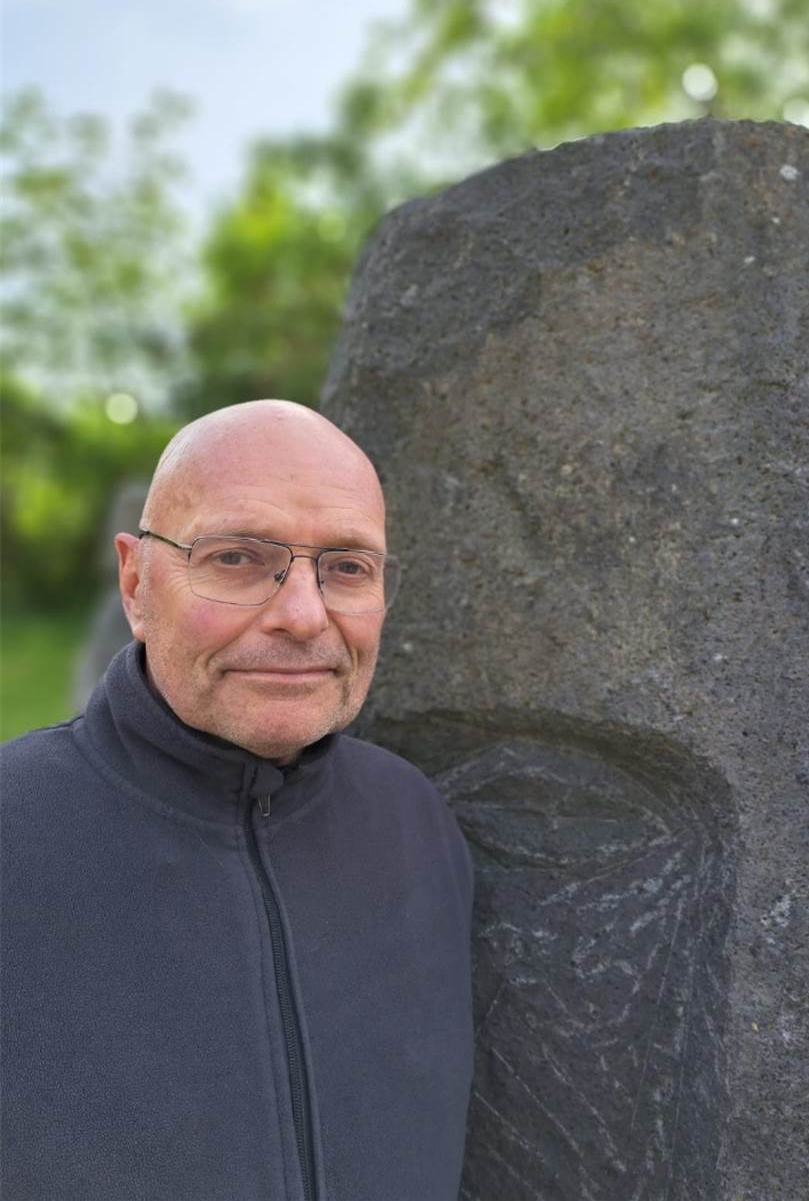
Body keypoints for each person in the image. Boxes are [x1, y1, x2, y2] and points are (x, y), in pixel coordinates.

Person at [1, 400, 474, 1201]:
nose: (301, 614)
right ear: (136, 582)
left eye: (348, 567)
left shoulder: (417, 824)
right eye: (237, 559)